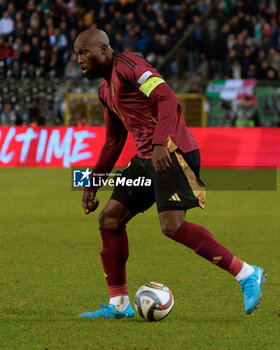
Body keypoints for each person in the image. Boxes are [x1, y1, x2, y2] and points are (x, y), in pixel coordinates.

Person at [74, 29, 266, 319]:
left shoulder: (131, 67)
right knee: (110, 217)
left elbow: (167, 98)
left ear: (104, 49)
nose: (79, 59)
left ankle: (247, 273)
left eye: (84, 52)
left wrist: (159, 142)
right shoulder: (104, 91)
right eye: (77, 54)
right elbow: (114, 140)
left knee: (171, 226)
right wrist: (92, 184)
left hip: (172, 152)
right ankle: (119, 305)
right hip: (145, 158)